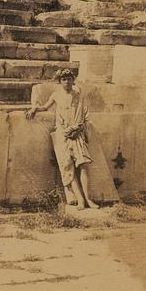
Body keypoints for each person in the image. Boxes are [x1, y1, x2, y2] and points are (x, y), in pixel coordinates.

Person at [26, 69, 99, 210]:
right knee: (68, 167)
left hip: (77, 133)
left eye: (69, 79)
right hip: (62, 134)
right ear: (60, 82)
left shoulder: (79, 95)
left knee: (83, 165)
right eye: (64, 80)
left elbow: (84, 114)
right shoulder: (56, 95)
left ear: (73, 80)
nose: (67, 82)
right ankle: (80, 200)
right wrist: (34, 108)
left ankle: (88, 199)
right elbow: (45, 107)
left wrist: (79, 128)